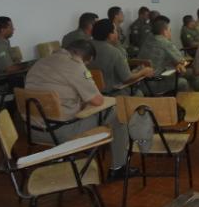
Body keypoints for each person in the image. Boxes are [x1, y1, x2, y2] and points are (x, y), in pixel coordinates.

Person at [24, 40, 134, 180]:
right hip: (60, 131)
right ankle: (119, 168)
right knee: (118, 113)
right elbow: (97, 100)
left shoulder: (40, 62)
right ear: (85, 59)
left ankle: (68, 154)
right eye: (87, 64)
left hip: (32, 130)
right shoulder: (77, 66)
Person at [138, 18, 199, 94]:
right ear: (164, 31)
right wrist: (179, 63)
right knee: (186, 79)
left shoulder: (148, 40)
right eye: (170, 30)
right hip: (156, 80)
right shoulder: (165, 43)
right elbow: (182, 60)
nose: (170, 33)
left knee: (184, 74)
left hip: (142, 82)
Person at [89, 19, 154, 94]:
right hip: (113, 93)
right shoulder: (114, 52)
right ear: (110, 35)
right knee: (139, 93)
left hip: (90, 92)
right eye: (115, 31)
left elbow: (85, 73)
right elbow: (127, 78)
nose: (117, 33)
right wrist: (143, 72)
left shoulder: (86, 47)